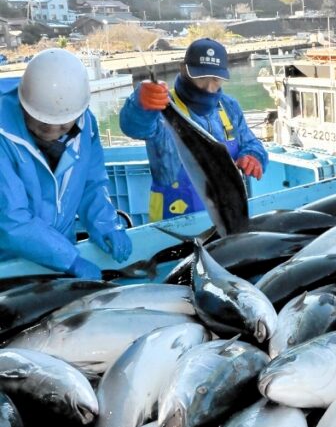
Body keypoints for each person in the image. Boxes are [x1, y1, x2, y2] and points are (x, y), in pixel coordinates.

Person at [0, 48, 132, 279]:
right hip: (7, 264)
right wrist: (70, 261)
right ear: (23, 104)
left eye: (62, 125)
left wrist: (105, 222)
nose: (52, 131)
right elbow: (10, 219)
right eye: (41, 124)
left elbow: (91, 182)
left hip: (61, 250)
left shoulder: (85, 123)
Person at [120, 38, 268, 221]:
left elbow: (250, 142)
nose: (208, 87)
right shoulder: (161, 107)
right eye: (201, 78)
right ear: (183, 70)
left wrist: (254, 156)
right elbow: (135, 127)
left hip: (227, 213)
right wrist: (139, 105)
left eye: (215, 79)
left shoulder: (229, 106)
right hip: (173, 220)